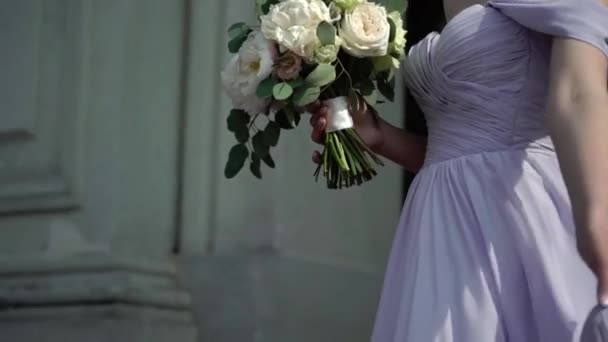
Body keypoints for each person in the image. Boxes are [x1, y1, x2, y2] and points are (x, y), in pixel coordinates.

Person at [308, 0, 608, 340]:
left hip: (525, 220)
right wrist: (378, 135)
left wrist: (596, 215)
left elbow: (576, 97)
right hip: (437, 224)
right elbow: (459, 153)